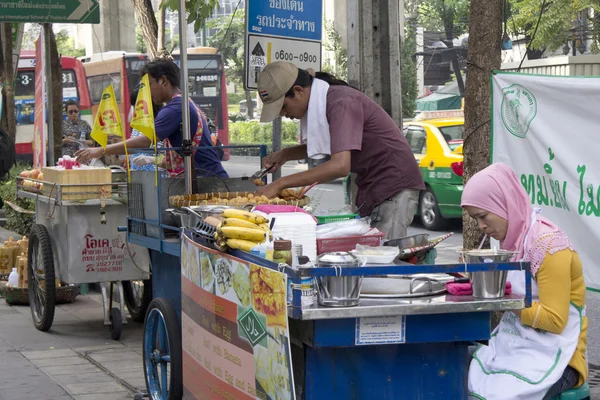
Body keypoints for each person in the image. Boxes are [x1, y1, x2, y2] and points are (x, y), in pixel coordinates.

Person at [256, 61, 425, 239]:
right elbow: (331, 143)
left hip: (394, 186)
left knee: (384, 256)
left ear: (298, 91)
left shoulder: (341, 102)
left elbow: (340, 166)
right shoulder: (327, 99)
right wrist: (285, 155)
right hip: (373, 186)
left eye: (283, 107)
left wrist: (279, 183)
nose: (283, 114)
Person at [462, 163, 588, 400]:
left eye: (483, 216)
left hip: (557, 356)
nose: (481, 226)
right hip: (515, 345)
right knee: (450, 370)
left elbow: (555, 320)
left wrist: (501, 298)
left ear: (504, 202)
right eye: (475, 218)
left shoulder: (549, 246)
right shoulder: (514, 241)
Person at [75, 59, 228, 178]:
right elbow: (181, 157)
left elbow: (145, 140)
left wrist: (101, 150)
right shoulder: (184, 102)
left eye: (148, 85)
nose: (146, 93)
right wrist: (153, 161)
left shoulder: (174, 108)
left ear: (163, 81)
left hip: (206, 181)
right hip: (205, 178)